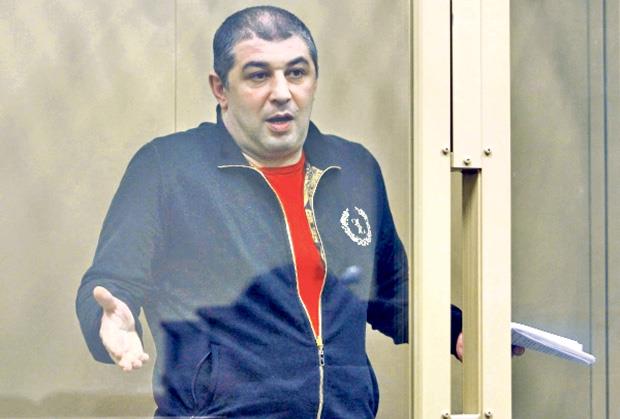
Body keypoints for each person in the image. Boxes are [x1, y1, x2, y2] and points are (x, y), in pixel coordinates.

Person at [76, 6, 464, 418]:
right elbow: (111, 283)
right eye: (258, 76)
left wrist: (458, 331)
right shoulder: (167, 168)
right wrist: (109, 321)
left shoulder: (354, 168)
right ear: (220, 88)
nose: (282, 92)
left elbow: (390, 292)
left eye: (296, 73)